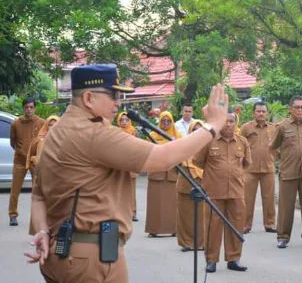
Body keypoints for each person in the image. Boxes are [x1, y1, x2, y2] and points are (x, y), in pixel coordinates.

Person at [24, 64, 229, 282]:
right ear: (88, 98)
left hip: (63, 253)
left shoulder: (56, 133)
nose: (118, 102)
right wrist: (213, 125)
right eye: (113, 95)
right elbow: (163, 158)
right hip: (92, 259)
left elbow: (38, 197)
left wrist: (43, 232)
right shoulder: (94, 134)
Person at [193, 110, 251, 273]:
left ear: (236, 123)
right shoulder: (209, 141)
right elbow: (198, 162)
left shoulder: (242, 142)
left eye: (231, 121)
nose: (228, 124)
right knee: (213, 226)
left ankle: (234, 259)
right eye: (225, 121)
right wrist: (215, 175)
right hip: (214, 192)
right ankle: (211, 260)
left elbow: (246, 164)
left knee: (236, 225)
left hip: (236, 191)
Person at [270, 95, 302, 249]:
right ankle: (283, 237)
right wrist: (282, 160)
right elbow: (272, 147)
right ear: (290, 109)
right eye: (297, 107)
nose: (300, 110)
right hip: (288, 172)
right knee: (286, 207)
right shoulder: (282, 126)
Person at [240, 102, 277, 234]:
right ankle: (245, 224)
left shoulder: (274, 128)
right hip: (249, 169)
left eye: (263, 111)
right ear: (253, 113)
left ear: (267, 113)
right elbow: (239, 145)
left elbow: (278, 146)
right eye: (258, 111)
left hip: (268, 168)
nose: (261, 113)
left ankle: (270, 224)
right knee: (247, 198)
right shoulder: (246, 128)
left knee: (269, 198)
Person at [9, 97, 45, 226]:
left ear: (35, 108)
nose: (28, 110)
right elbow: (12, 142)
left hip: (34, 161)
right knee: (15, 190)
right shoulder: (16, 124)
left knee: (39, 190)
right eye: (26, 107)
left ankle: (39, 215)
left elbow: (45, 140)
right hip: (19, 161)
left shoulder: (41, 122)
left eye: (31, 107)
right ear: (23, 108)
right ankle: (12, 215)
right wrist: (21, 151)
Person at [145, 111, 181, 237]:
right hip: (157, 173)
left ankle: (173, 229)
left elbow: (182, 153)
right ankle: (153, 230)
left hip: (172, 174)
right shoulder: (152, 135)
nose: (166, 123)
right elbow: (147, 153)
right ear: (159, 121)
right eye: (163, 121)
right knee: (155, 203)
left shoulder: (177, 135)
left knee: (172, 204)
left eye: (168, 121)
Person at [26, 115, 60, 235]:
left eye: (55, 124)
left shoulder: (62, 140)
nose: (52, 127)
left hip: (57, 176)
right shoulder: (40, 140)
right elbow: (34, 156)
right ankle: (38, 230)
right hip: (42, 176)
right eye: (50, 124)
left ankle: (54, 231)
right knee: (39, 202)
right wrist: (35, 160)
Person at [176, 120, 205, 252]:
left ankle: (201, 243)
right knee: (185, 216)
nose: (197, 133)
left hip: (203, 183)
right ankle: (187, 243)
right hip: (185, 183)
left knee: (202, 216)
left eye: (200, 130)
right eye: (194, 130)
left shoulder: (208, 146)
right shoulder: (183, 145)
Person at [116, 112, 139, 222]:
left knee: (131, 190)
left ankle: (133, 212)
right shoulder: (115, 132)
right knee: (119, 190)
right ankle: (121, 213)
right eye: (122, 120)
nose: (124, 122)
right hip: (119, 164)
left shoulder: (134, 131)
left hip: (131, 164)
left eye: (126, 120)